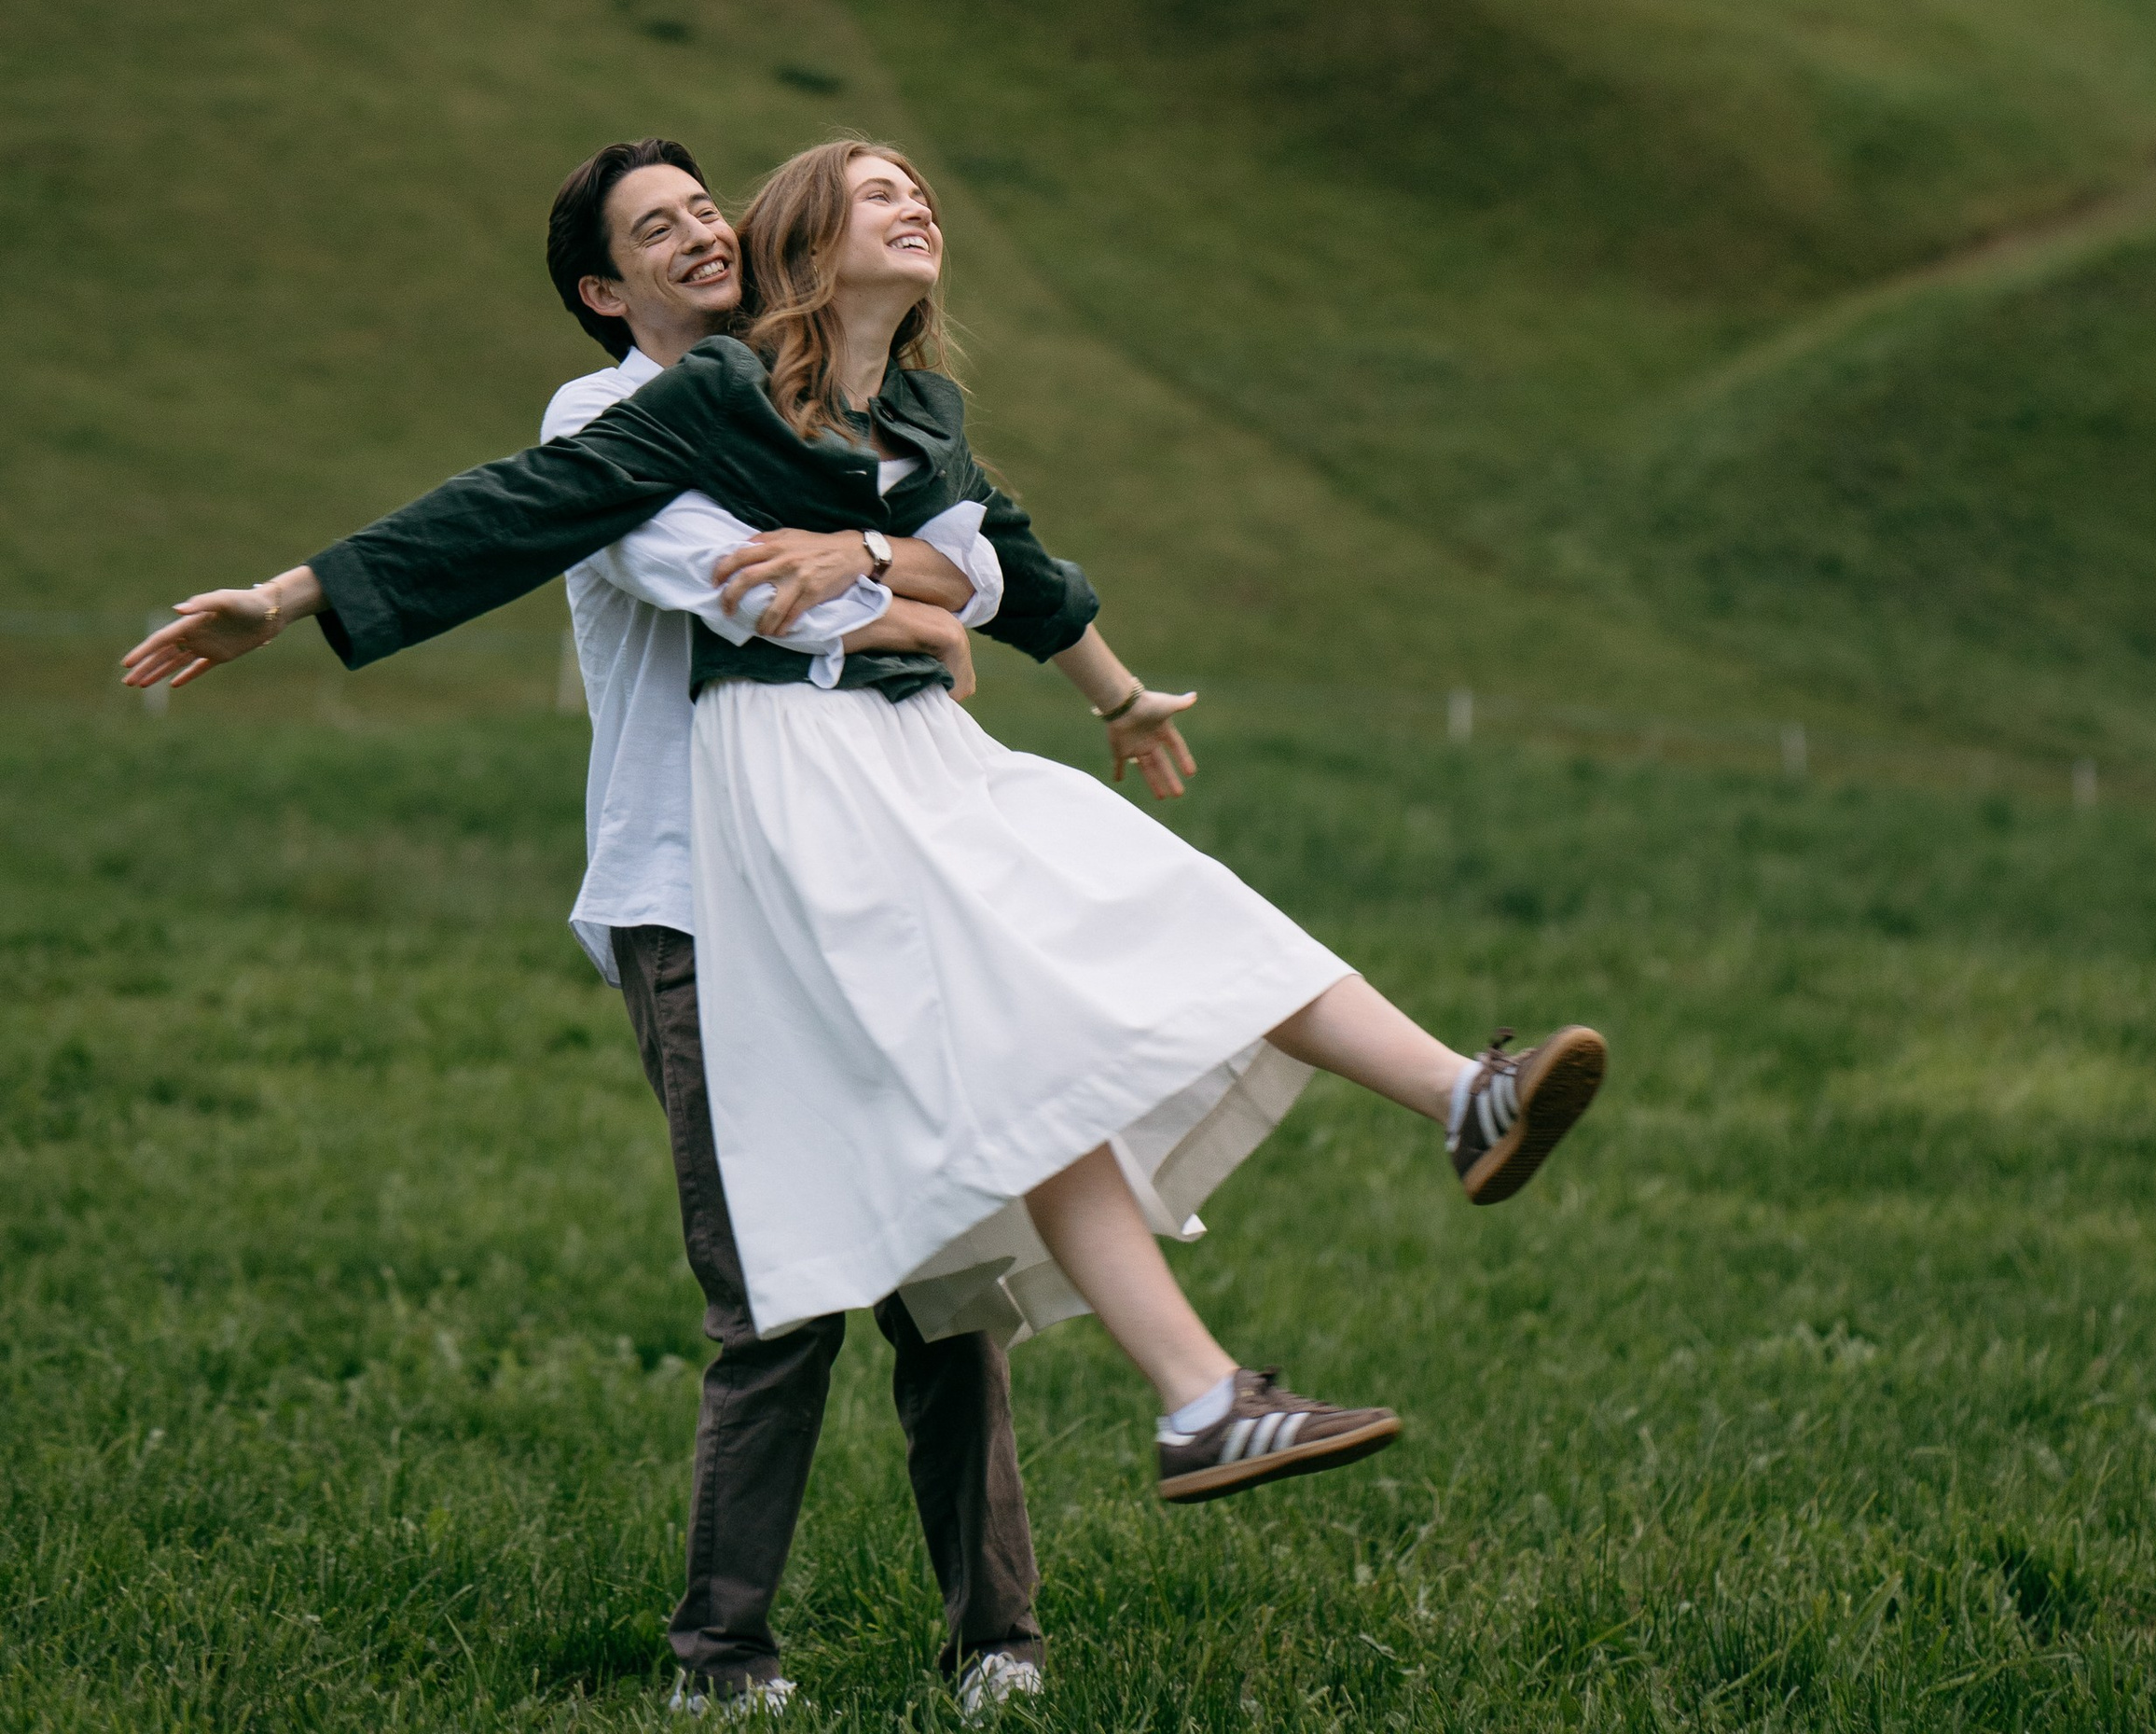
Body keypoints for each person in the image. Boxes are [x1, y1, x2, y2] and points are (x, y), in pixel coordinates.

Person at [130, 136, 1606, 1559]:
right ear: (803, 243)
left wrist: (1085, 675)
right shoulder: (696, 399)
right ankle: (1187, 1398)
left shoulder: (919, 406)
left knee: (1163, 914)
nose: (912, 206)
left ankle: (1335, 1248)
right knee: (948, 1146)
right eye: (873, 191)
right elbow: (534, 509)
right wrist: (288, 594)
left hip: (921, 765)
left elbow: (999, 561)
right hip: (783, 793)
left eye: (916, 188)